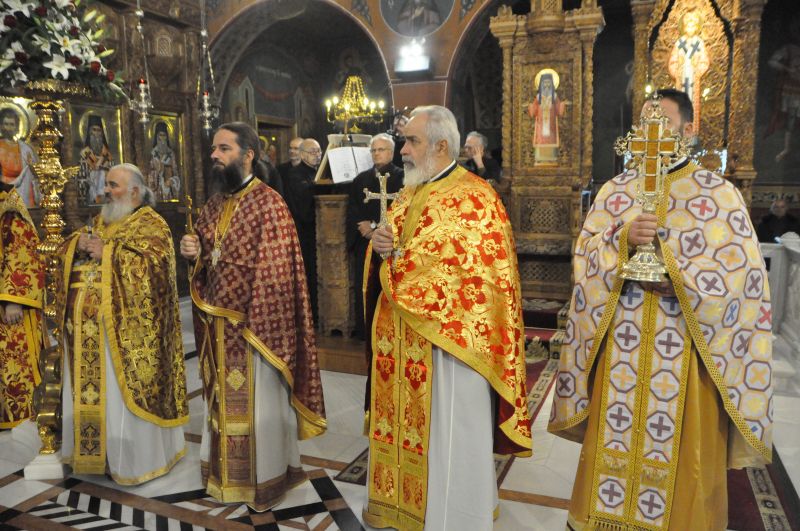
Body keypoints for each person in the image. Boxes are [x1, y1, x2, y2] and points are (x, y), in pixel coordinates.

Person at [549, 89, 773, 531]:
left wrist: (677, 273)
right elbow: (585, 257)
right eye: (644, 122)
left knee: (683, 461)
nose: (650, 132)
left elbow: (743, 280)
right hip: (623, 349)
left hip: (686, 351)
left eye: (662, 122)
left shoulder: (717, 194)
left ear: (688, 131)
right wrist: (621, 240)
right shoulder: (616, 191)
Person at [366, 105, 531, 530]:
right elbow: (396, 251)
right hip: (402, 338)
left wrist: (398, 261)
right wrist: (381, 246)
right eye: (404, 141)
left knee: (451, 435)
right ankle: (403, 510)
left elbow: (469, 272)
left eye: (412, 141)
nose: (403, 150)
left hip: (452, 347)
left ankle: (454, 517)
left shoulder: (476, 197)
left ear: (441, 145)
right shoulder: (408, 193)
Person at [180, 122, 325, 510]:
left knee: (259, 406)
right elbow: (207, 261)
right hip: (218, 326)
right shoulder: (212, 204)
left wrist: (255, 318)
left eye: (224, 149)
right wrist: (193, 255)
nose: (215, 155)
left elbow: (280, 274)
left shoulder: (270, 204)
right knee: (221, 406)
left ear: (247, 155)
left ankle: (267, 479)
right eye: (214, 148)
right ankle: (225, 477)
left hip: (254, 328)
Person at [58, 163, 188, 484]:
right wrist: (81, 246)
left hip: (128, 335)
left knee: (121, 396)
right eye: (106, 184)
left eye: (113, 185)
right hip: (90, 327)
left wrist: (108, 253)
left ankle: (133, 460)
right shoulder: (103, 219)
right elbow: (77, 242)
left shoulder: (152, 224)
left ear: (134, 191)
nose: (106, 190)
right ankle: (96, 456)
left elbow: (155, 268)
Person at [345, 133, 403, 341]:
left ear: (391, 152)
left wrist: (377, 228)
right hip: (366, 245)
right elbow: (353, 209)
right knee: (367, 285)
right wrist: (367, 230)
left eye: (381, 150)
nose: (376, 154)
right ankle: (366, 330)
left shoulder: (403, 177)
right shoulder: (361, 179)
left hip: (392, 244)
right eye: (373, 150)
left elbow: (402, 210)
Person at [0, 182, 43, 429]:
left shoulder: (10, 211)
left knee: (15, 363)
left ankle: (23, 416)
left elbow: (23, 252)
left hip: (10, 306)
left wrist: (13, 299)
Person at [285, 138, 322, 322]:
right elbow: (303, 203)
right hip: (304, 232)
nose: (317, 155)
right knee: (309, 273)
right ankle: (311, 314)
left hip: (318, 233)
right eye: (312, 152)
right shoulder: (295, 174)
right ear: (301, 154)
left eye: (319, 152)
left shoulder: (317, 172)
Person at [668, 9, 709, 133]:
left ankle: (693, 132)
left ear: (696, 26)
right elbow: (673, 62)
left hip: (694, 80)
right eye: (688, 24)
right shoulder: (679, 43)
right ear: (684, 26)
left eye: (692, 24)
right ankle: (680, 131)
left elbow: (704, 61)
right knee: (681, 106)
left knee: (692, 107)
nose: (690, 27)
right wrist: (678, 73)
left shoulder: (699, 43)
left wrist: (696, 72)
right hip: (682, 78)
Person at [0, 108, 39, 208]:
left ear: (17, 127)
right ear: (1, 126)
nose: (8, 128)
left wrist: (31, 166)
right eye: (6, 124)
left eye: (12, 124)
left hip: (22, 192)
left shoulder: (25, 149)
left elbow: (35, 173)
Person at [526, 70, 567, 164]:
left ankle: (551, 159)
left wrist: (562, 104)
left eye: (549, 83)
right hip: (541, 123)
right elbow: (533, 111)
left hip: (551, 124)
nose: (547, 85)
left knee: (550, 140)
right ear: (541, 84)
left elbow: (558, 111)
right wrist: (530, 106)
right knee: (541, 139)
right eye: (545, 83)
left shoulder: (554, 97)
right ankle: (540, 159)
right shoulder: (538, 97)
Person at [79, 116, 114, 204]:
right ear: (90, 132)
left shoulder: (107, 154)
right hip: (91, 192)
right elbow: (81, 177)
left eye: (99, 130)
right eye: (94, 130)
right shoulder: (85, 154)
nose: (97, 133)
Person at [148, 121, 180, 202]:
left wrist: (172, 181)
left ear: (167, 136)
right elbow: (149, 174)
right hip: (156, 193)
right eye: (160, 135)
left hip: (169, 192)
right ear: (156, 137)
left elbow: (176, 173)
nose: (162, 138)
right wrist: (158, 171)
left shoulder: (171, 154)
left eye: (164, 135)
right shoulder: (152, 154)